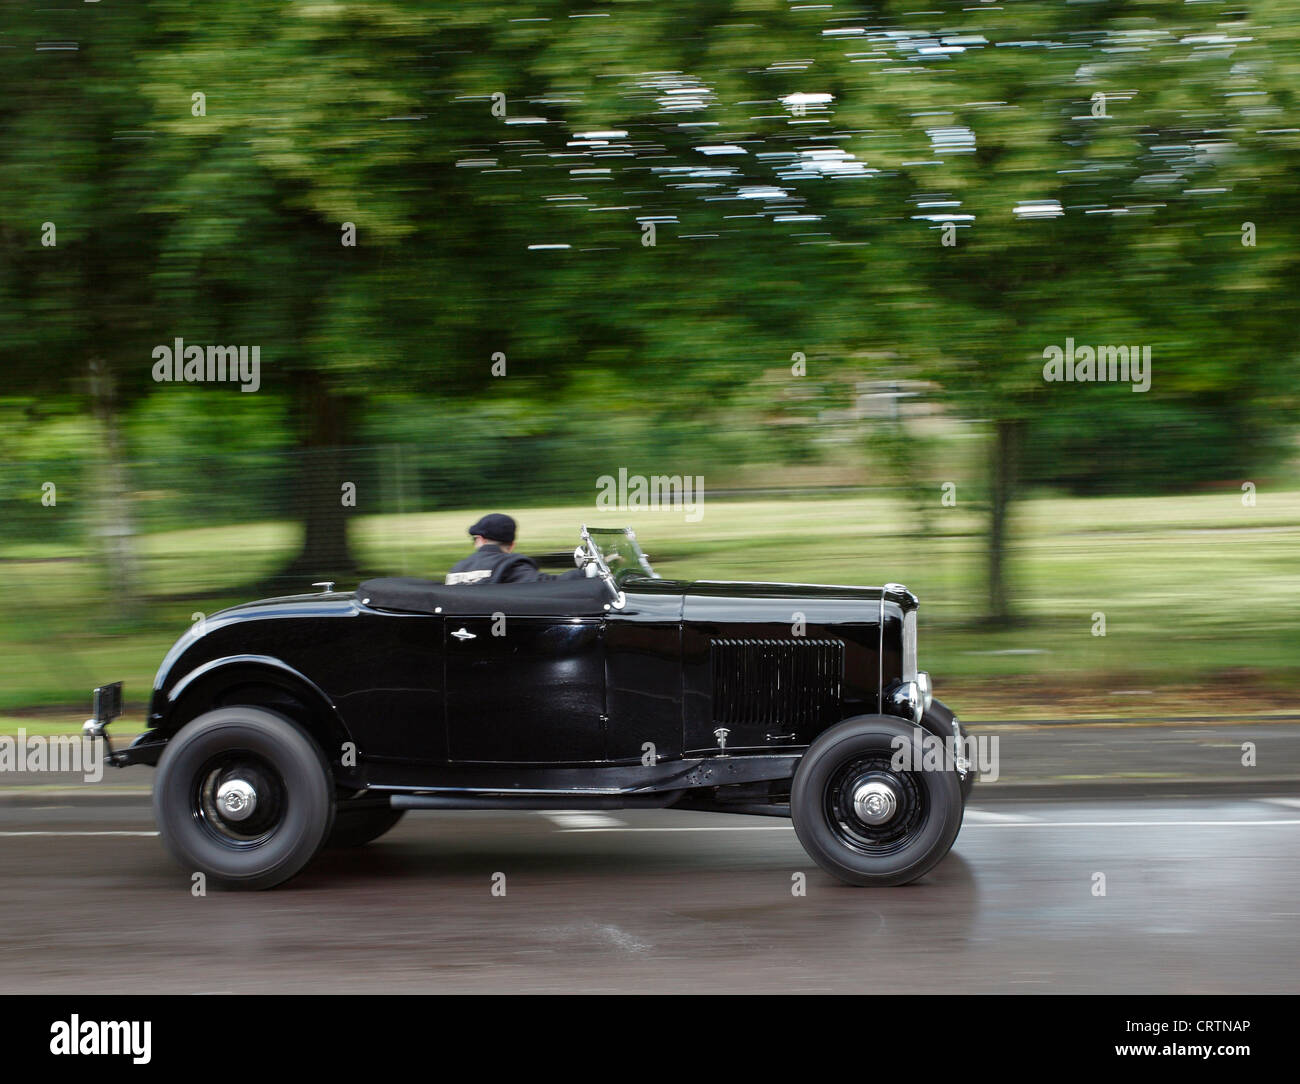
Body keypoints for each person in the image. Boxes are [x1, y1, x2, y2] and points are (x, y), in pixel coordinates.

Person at [445, 514, 584, 585]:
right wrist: (586, 573)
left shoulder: (456, 569)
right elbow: (549, 586)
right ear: (512, 545)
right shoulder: (509, 566)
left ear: (480, 539)